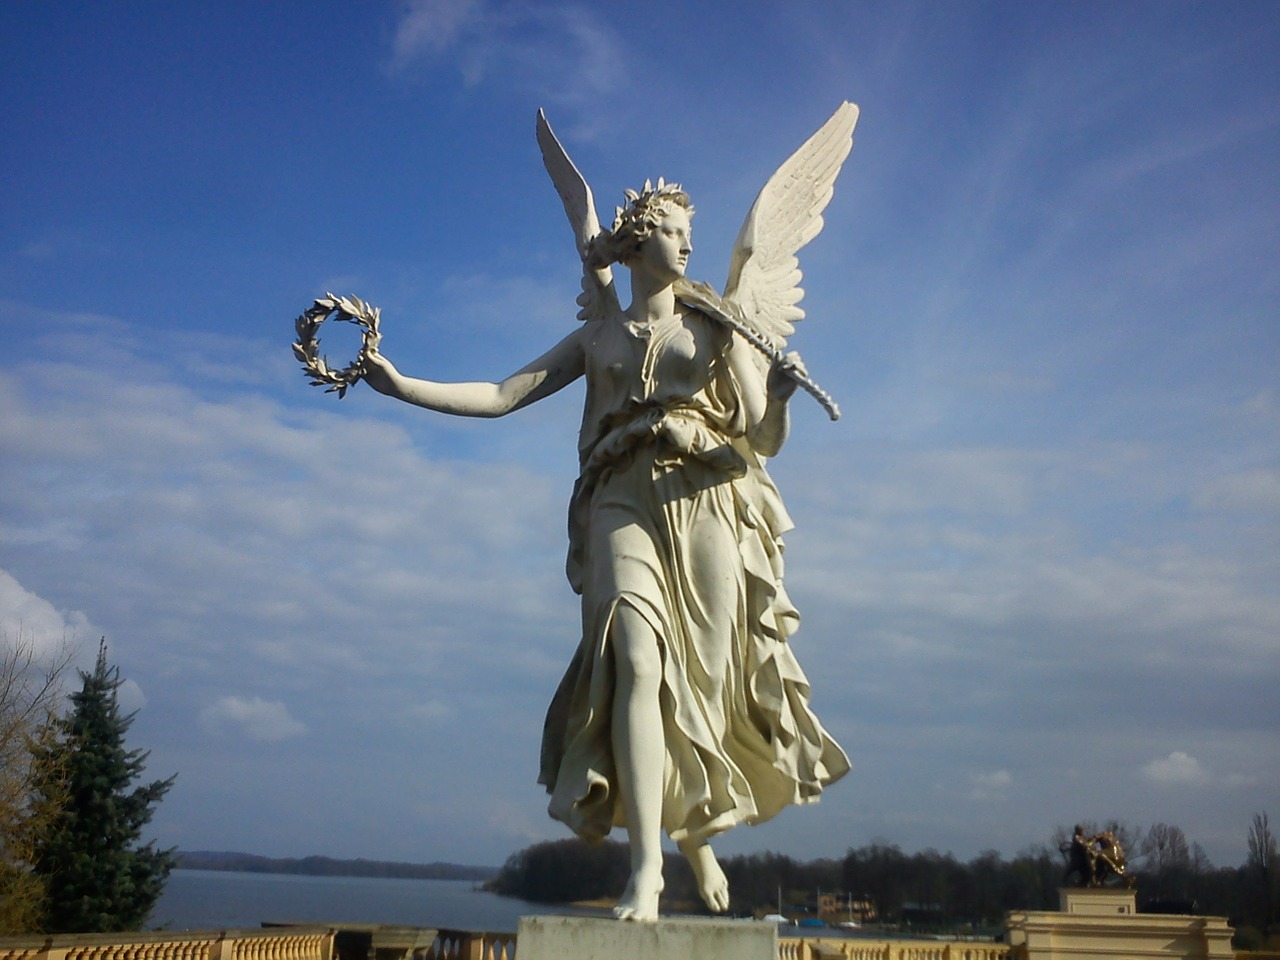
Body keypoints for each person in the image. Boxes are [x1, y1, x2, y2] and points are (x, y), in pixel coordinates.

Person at [360, 181, 849, 921]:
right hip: (619, 496)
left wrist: (777, 394)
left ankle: (691, 833)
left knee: (703, 684)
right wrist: (400, 386)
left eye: (690, 234)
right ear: (637, 241)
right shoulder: (601, 337)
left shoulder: (716, 323)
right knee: (638, 662)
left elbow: (761, 438)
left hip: (702, 503)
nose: (688, 245)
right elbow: (501, 393)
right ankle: (647, 869)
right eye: (676, 232)